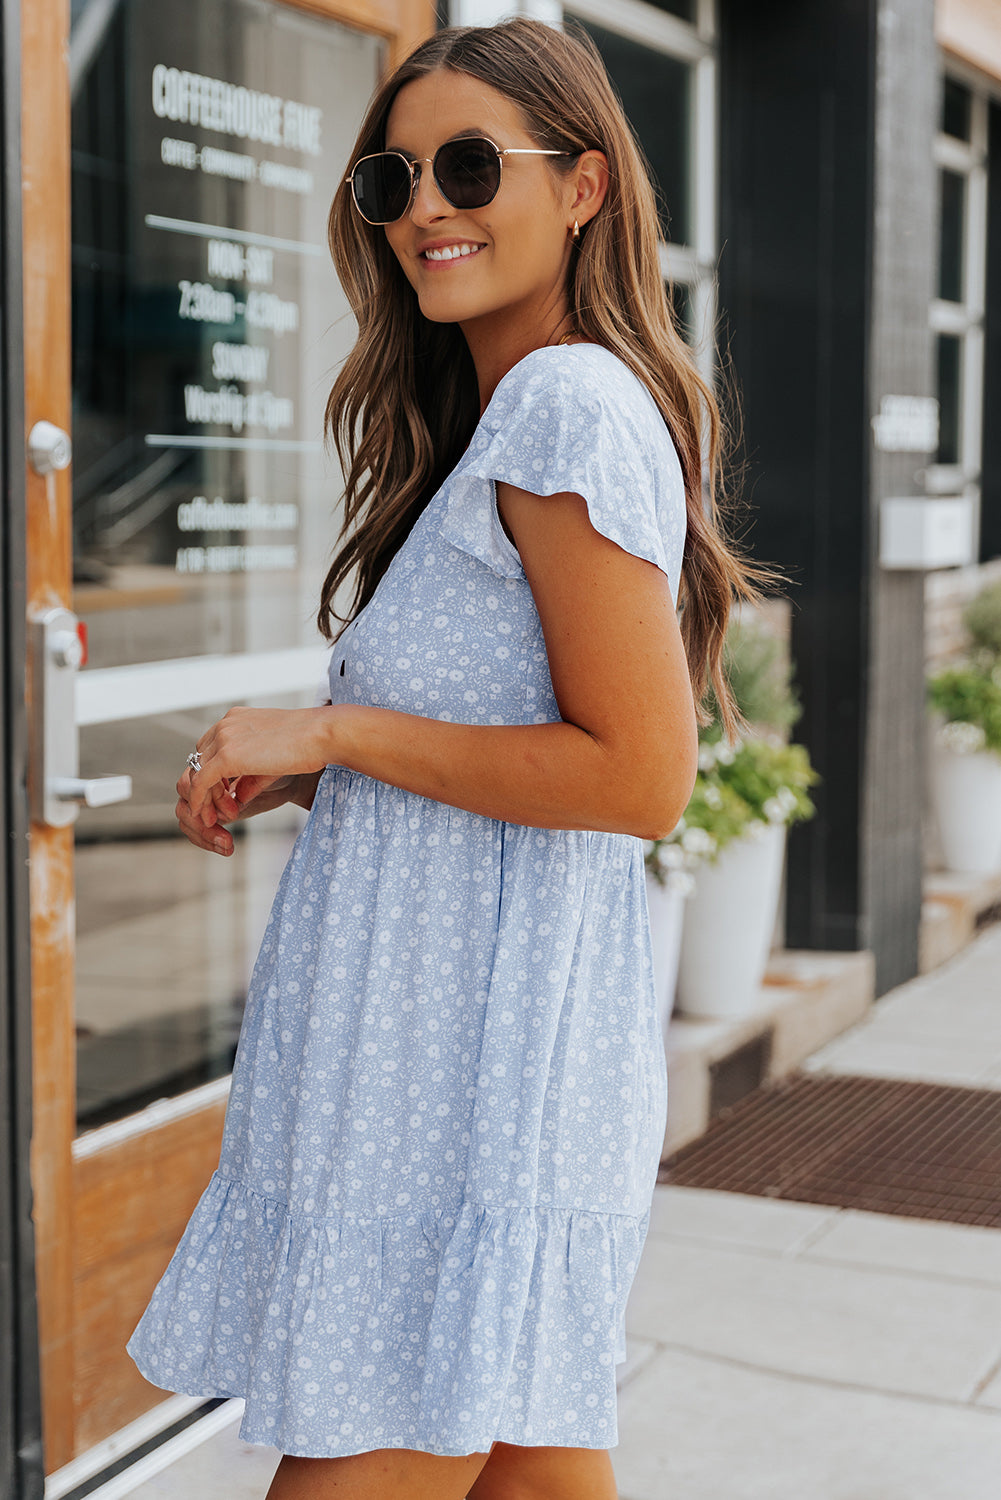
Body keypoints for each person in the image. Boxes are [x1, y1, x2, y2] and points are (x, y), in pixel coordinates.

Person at [128, 18, 759, 1499]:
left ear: (585, 187)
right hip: (454, 1064)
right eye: (389, 178)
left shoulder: (564, 403)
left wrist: (335, 728)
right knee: (538, 1473)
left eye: (471, 165)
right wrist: (337, 770)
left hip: (469, 1089)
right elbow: (520, 733)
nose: (424, 204)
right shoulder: (493, 418)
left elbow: (635, 777)